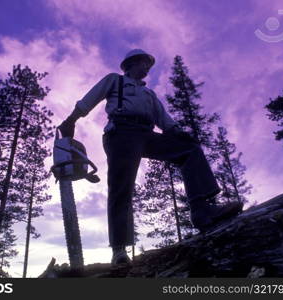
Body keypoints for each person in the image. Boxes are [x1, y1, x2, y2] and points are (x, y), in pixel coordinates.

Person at [58, 49, 242, 266]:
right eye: (145, 64)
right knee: (121, 188)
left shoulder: (149, 95)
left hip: (146, 133)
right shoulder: (114, 81)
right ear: (132, 63)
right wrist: (72, 119)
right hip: (121, 133)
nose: (147, 68)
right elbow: (91, 97)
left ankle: (202, 211)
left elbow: (164, 120)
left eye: (149, 65)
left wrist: (179, 132)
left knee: (189, 150)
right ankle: (119, 251)